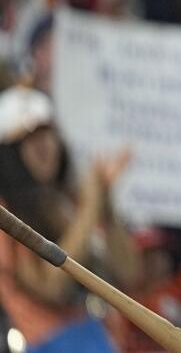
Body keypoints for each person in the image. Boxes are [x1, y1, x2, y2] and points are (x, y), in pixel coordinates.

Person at [0, 86, 141, 353]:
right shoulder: (5, 214)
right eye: (28, 140)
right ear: (9, 154)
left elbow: (129, 274)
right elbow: (51, 288)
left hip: (97, 338)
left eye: (46, 133)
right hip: (45, 344)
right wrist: (90, 209)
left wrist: (106, 206)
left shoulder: (68, 200)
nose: (43, 146)